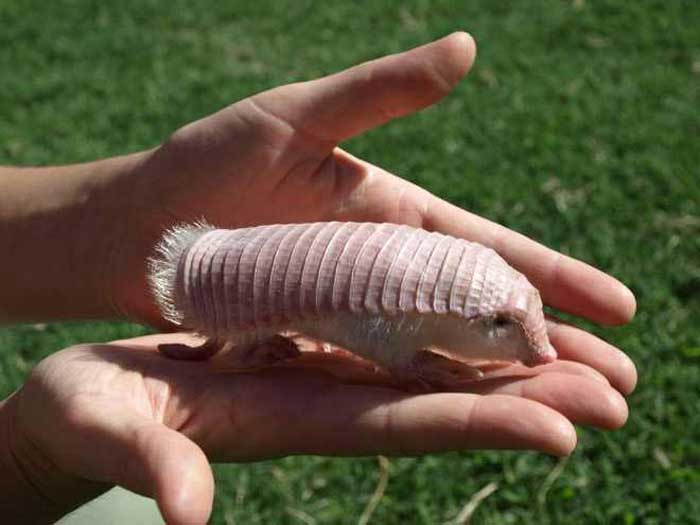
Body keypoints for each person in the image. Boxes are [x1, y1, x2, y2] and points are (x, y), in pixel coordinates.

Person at [0, 32, 637, 524]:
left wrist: (118, 217)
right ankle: (245, 346)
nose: (533, 349)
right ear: (465, 309)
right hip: (234, 280)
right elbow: (368, 329)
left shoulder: (435, 293)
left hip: (237, 267)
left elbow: (358, 318)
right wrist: (25, 464)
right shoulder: (411, 306)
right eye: (505, 327)